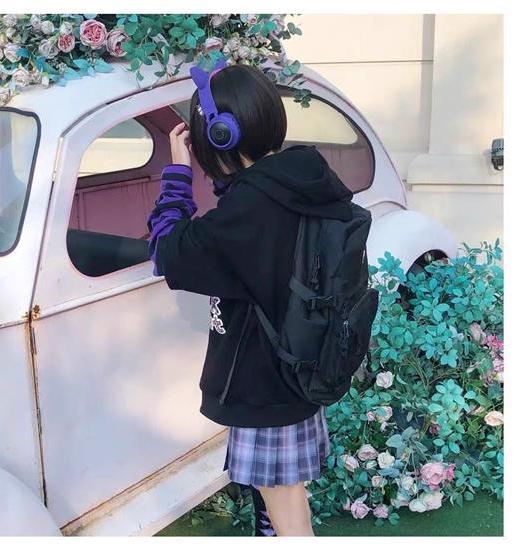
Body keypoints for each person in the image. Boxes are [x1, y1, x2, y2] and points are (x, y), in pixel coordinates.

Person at [147, 62, 353, 536]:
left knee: (289, 515)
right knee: (279, 497)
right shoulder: (303, 181)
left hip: (264, 386)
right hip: (300, 370)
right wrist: (233, 181)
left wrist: (177, 174)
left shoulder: (248, 213)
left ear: (219, 137)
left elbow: (167, 252)